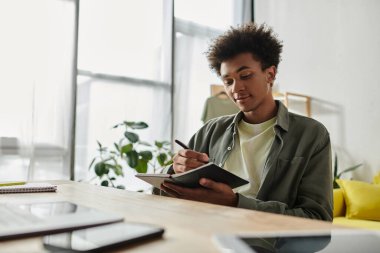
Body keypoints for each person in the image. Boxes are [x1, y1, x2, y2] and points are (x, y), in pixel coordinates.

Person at [160, 23, 333, 221]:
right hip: (208, 233)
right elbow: (163, 193)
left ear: (270, 74)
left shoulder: (311, 134)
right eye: (228, 81)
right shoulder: (211, 130)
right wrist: (175, 169)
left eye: (245, 76)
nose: (236, 88)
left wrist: (235, 203)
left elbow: (318, 219)